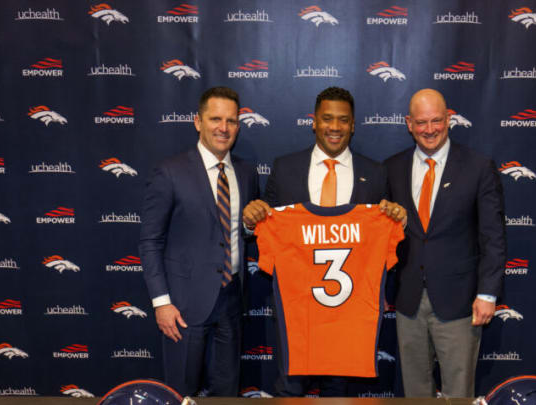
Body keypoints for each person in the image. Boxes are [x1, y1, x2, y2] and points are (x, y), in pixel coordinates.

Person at [242, 86, 406, 396]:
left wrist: (398, 217)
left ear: (353, 125)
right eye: (327, 119)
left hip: (348, 313)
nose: (335, 127)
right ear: (313, 121)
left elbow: (385, 237)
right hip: (297, 309)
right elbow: (266, 224)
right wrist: (251, 218)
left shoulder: (375, 172)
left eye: (343, 120)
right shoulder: (285, 168)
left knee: (338, 393)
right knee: (289, 388)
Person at [384, 89, 506, 397]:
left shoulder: (478, 167)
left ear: (449, 119)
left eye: (437, 120)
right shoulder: (391, 168)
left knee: (458, 391)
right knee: (415, 390)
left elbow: (493, 236)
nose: (429, 129)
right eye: (421, 122)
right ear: (408, 123)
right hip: (408, 300)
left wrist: (487, 293)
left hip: (460, 302)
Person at [139, 87, 259, 396]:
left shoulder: (246, 173)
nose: (223, 127)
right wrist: (162, 303)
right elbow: (150, 241)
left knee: (227, 393)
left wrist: (249, 225)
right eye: (215, 118)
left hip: (232, 300)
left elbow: (244, 232)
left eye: (231, 121)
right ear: (197, 122)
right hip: (182, 306)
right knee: (180, 393)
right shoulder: (169, 172)